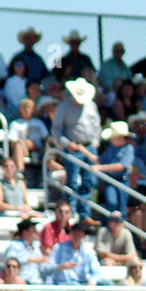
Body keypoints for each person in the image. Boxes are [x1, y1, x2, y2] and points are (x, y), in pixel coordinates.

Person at [50, 79, 102, 219]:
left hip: (89, 147)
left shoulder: (91, 106)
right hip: (72, 147)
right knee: (72, 181)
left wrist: (95, 142)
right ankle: (70, 212)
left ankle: (85, 214)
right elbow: (56, 129)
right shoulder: (63, 107)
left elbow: (97, 126)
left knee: (89, 181)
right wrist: (66, 143)